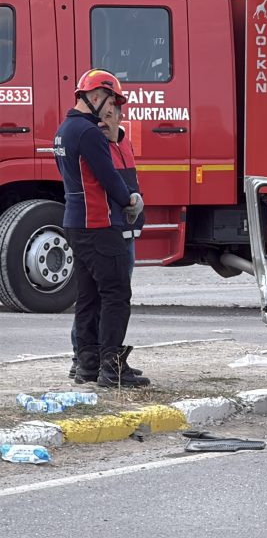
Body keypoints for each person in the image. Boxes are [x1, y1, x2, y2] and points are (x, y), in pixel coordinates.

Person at [55, 69, 147, 388]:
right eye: (110, 100)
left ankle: (87, 365)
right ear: (95, 97)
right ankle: (112, 367)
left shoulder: (64, 130)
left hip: (76, 223)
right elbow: (108, 177)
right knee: (116, 293)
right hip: (99, 223)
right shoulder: (89, 132)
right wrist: (130, 200)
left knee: (89, 297)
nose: (112, 108)